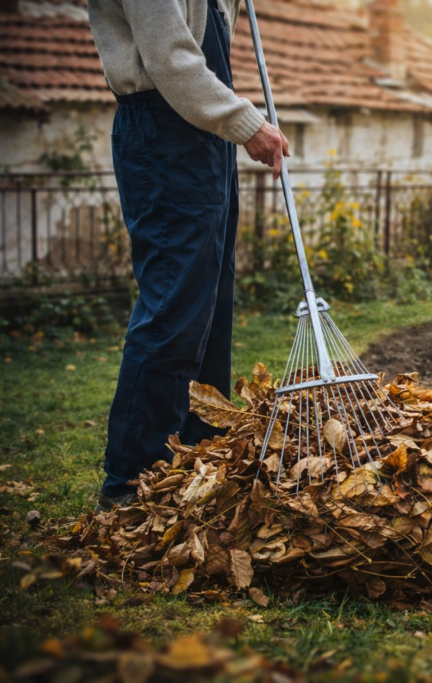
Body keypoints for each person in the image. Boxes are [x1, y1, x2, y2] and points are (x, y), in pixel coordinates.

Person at [88, 0, 290, 512]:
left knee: (210, 307)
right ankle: (132, 482)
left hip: (201, 136)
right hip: (163, 128)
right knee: (174, 306)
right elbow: (171, 58)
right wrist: (245, 122)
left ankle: (200, 458)